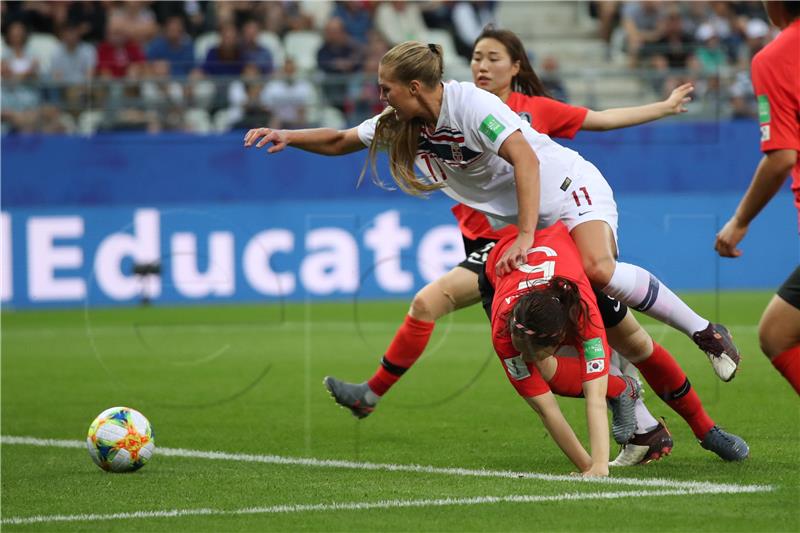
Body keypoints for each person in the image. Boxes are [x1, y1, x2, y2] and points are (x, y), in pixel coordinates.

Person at [243, 39, 744, 459]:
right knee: (581, 338)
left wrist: (525, 235)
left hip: (565, 192)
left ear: (414, 87)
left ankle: (703, 334)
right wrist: (287, 135)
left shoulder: (472, 106)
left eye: (387, 87)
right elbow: (340, 140)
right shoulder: (402, 122)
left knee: (598, 273)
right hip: (526, 226)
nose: (381, 96)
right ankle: (642, 420)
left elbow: (525, 159)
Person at [481, 222, 640, 476]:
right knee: (537, 374)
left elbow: (594, 396)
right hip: (501, 261)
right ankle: (622, 387)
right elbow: (547, 409)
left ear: (559, 342)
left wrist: (600, 465)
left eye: (531, 353)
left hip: (563, 245)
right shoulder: (504, 332)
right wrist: (587, 467)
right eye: (522, 349)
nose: (523, 358)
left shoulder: (584, 313)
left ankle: (625, 389)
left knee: (596, 377)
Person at [715, 1, 800, 396]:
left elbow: (782, 156)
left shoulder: (777, 57)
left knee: (778, 335)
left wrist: (740, 219)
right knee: (777, 331)